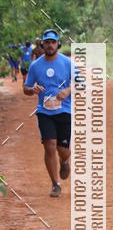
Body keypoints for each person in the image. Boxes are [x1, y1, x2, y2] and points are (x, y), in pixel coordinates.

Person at [23, 29, 73, 198]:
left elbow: (81, 84)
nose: (50, 45)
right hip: (44, 112)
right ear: (42, 44)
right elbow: (26, 88)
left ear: (58, 43)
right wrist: (32, 89)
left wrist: (68, 90)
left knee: (62, 149)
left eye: (53, 42)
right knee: (49, 145)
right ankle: (55, 184)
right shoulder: (35, 66)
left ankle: (65, 160)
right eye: (47, 42)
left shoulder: (67, 63)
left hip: (64, 111)